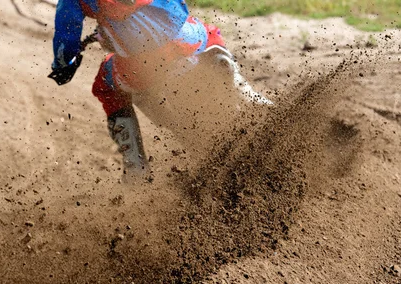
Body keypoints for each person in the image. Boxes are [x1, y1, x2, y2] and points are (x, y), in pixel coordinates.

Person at [48, 0, 266, 177]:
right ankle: (248, 92)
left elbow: (65, 42)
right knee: (208, 34)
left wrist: (62, 65)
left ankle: (136, 168)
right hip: (190, 41)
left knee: (105, 85)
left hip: (143, 67)